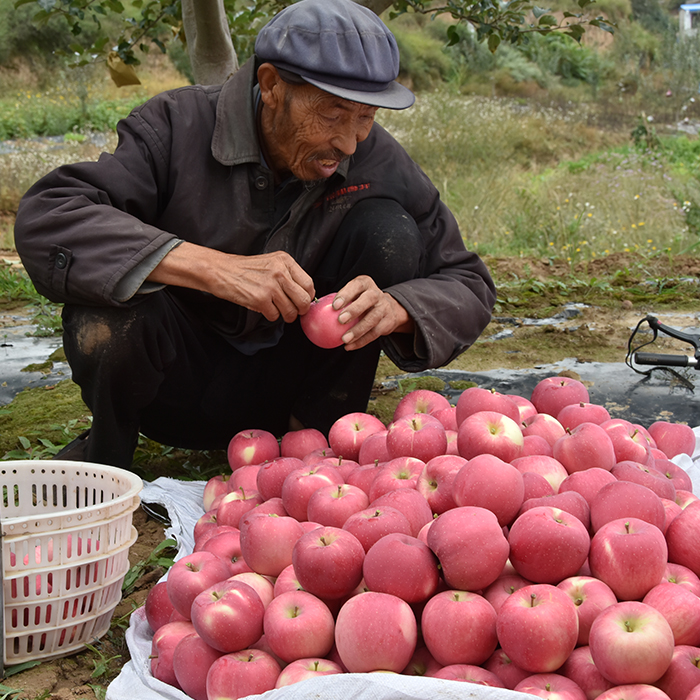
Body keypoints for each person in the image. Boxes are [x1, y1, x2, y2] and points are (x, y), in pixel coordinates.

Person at [14, 0, 497, 468]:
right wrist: (212, 267)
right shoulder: (176, 127)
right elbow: (49, 215)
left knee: (388, 231)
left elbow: (468, 281)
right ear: (271, 86)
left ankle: (316, 446)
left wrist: (399, 308)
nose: (348, 142)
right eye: (332, 114)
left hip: (297, 391)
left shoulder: (376, 159)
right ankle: (107, 460)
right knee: (106, 308)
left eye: (366, 117)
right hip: (176, 387)